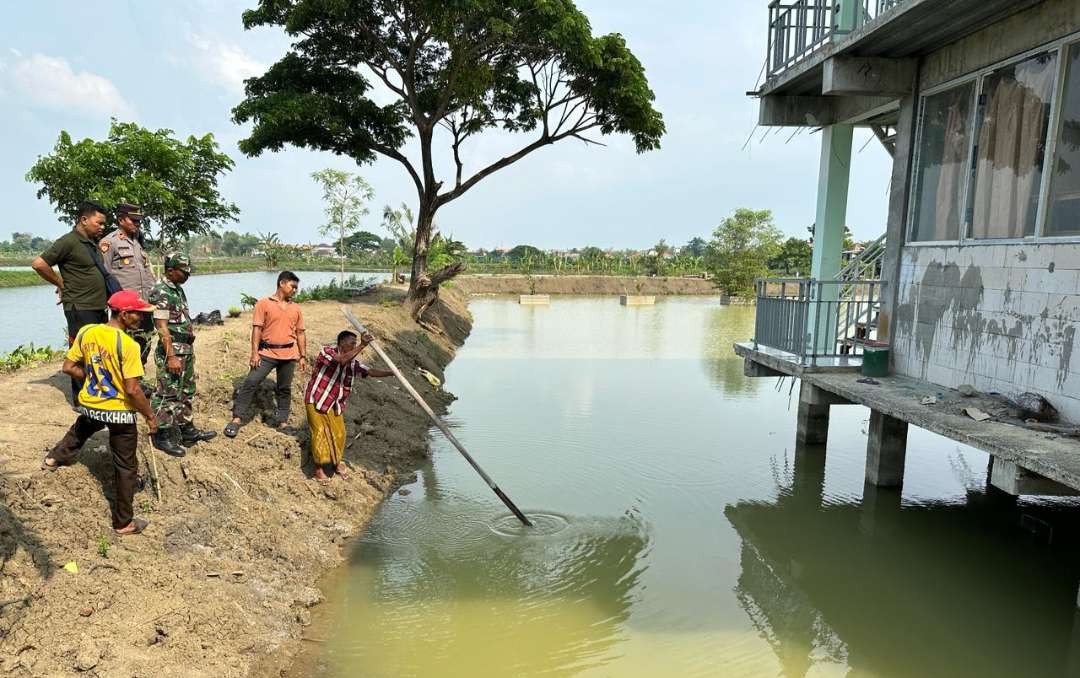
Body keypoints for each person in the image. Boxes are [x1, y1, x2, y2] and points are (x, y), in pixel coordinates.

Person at [42, 290, 158, 536]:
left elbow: (68, 367)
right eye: (137, 314)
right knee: (126, 466)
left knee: (82, 428)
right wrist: (149, 415)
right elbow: (132, 389)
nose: (141, 318)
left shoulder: (87, 332)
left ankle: (53, 458)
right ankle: (124, 522)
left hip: (92, 404)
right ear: (124, 314)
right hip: (119, 411)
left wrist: (93, 379)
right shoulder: (128, 345)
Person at [31, 201, 111, 403]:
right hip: (80, 307)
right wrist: (60, 282)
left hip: (97, 306)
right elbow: (39, 264)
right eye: (99, 222)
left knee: (97, 352)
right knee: (81, 352)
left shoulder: (91, 243)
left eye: (104, 224)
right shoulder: (68, 241)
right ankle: (81, 398)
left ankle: (96, 391)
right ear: (84, 220)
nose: (102, 227)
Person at [148, 252, 217, 457]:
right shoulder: (160, 291)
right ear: (171, 271)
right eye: (183, 272)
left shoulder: (177, 290)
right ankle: (162, 435)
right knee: (167, 392)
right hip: (173, 351)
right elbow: (161, 326)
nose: (187, 275)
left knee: (186, 390)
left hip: (185, 349)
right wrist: (170, 356)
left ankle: (187, 429)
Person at [224, 271, 308, 437]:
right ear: (282, 283)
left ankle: (283, 422)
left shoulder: (296, 308)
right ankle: (237, 419)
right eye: (293, 286)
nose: (295, 290)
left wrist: (302, 355)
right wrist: (254, 353)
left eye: (296, 288)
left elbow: (300, 333)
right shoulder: (263, 304)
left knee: (284, 389)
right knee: (251, 382)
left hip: (289, 355)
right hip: (266, 353)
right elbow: (257, 329)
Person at [303, 330, 392, 484]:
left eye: (355, 343)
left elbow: (370, 371)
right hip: (316, 398)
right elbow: (340, 361)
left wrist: (392, 373)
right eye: (352, 343)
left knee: (340, 433)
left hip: (334, 403)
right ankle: (319, 469)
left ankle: (336, 462)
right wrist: (362, 345)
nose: (354, 345)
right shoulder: (327, 351)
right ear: (341, 342)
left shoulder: (353, 363)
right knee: (319, 432)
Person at [100, 203, 156, 365]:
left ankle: (138, 378)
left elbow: (146, 272)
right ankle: (123, 382)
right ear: (120, 220)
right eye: (133, 220)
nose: (137, 224)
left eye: (139, 221)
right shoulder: (109, 243)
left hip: (144, 304)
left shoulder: (138, 242)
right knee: (123, 346)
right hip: (125, 309)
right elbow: (104, 275)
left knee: (144, 342)